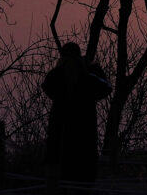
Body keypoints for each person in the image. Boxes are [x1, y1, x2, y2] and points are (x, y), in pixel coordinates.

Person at [42, 42, 112, 186]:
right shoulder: (86, 77)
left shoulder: (58, 76)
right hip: (82, 140)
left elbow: (47, 86)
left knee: (64, 182)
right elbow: (106, 87)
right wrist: (92, 68)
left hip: (64, 140)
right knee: (81, 181)